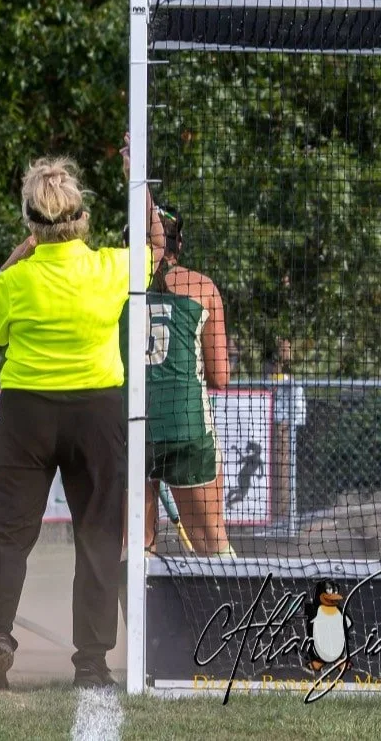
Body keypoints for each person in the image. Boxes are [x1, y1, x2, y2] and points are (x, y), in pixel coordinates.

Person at [0, 140, 164, 690]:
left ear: (32, 223)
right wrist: (137, 180)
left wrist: (13, 259)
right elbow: (155, 245)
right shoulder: (108, 269)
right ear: (81, 218)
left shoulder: (18, 280)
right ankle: (92, 663)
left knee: (9, 533)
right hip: (97, 414)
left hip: (27, 412)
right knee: (99, 535)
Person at [121, 203, 235, 557]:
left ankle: (145, 614)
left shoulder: (113, 287)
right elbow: (220, 377)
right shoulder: (201, 286)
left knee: (138, 548)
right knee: (212, 542)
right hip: (187, 425)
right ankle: (238, 612)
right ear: (179, 243)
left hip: (132, 426)